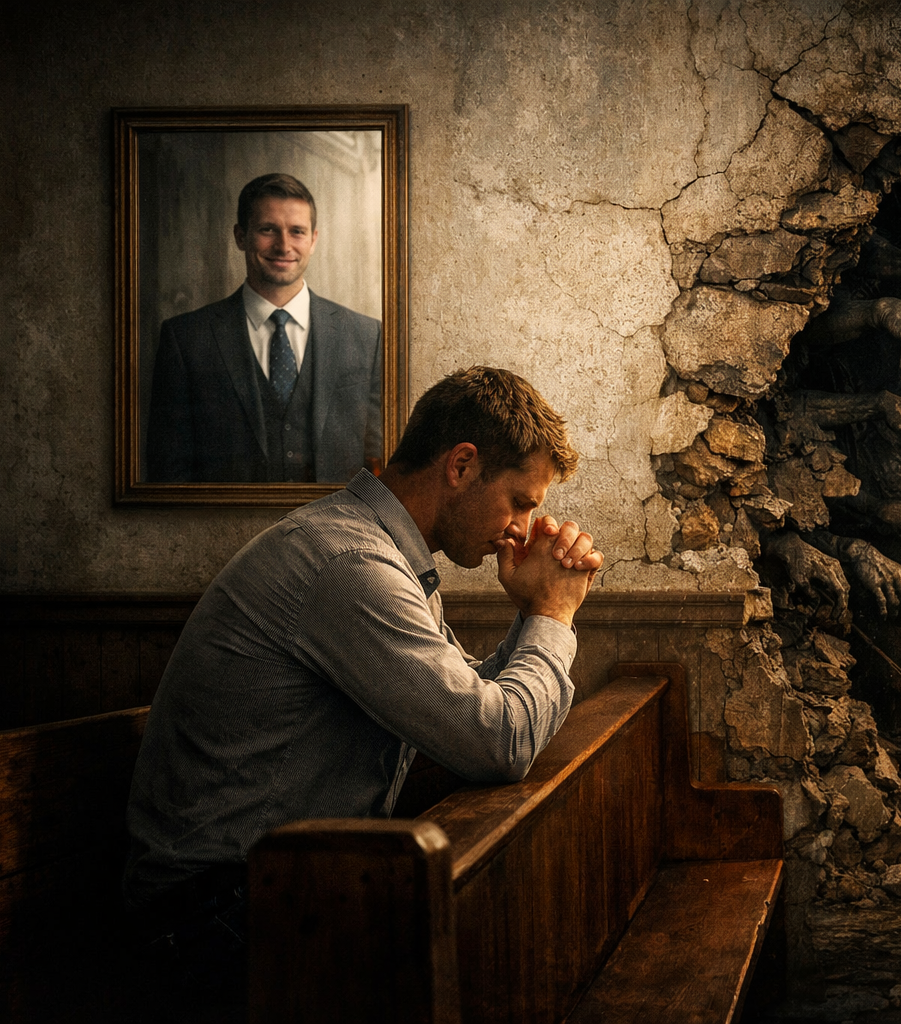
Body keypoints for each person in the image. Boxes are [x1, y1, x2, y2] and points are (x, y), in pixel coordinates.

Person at [123, 366, 602, 1004]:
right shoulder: (350, 565)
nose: (522, 529)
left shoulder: (384, 553)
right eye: (520, 501)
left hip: (266, 895)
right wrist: (552, 616)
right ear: (461, 466)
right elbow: (497, 739)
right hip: (212, 921)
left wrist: (531, 613)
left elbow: (465, 700)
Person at [144, 172, 383, 482]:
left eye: (297, 231)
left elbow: (381, 463)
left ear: (313, 240)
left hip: (336, 529)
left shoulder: (367, 337)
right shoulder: (186, 339)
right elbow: (168, 471)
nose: (283, 245)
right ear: (241, 236)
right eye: (268, 229)